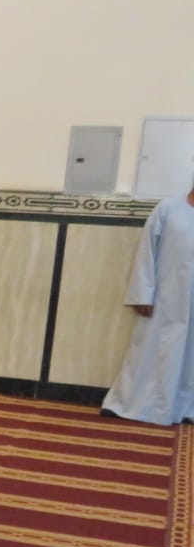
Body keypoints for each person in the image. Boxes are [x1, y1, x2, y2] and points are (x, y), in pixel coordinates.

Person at [102, 181, 194, 424]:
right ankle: (129, 404)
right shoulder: (168, 209)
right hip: (166, 298)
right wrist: (143, 293)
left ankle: (186, 409)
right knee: (150, 352)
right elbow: (147, 251)